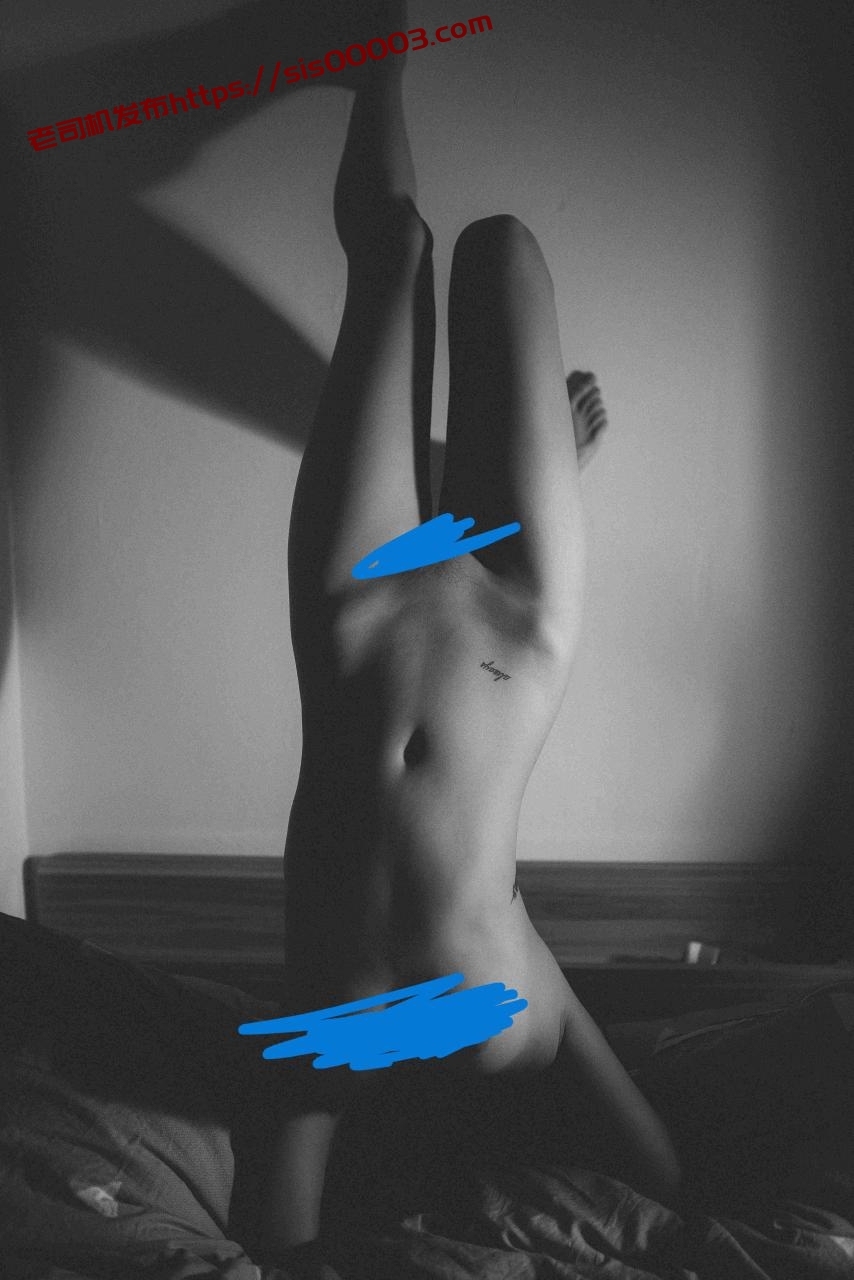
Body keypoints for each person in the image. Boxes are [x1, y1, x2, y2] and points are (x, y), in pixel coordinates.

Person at [264, 3, 679, 1255]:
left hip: (363, 606)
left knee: (396, 250)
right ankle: (498, 473)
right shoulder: (516, 1008)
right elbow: (670, 1186)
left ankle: (373, 60)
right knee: (500, 250)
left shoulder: (327, 1049)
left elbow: (270, 1241)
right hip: (512, 624)